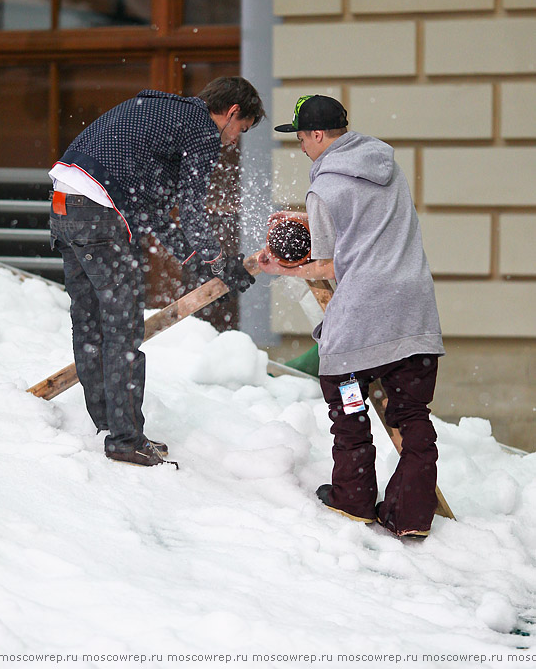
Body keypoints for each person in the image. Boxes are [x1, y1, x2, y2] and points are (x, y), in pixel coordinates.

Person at [49, 77, 264, 467]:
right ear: (232, 113)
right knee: (122, 328)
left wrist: (199, 258)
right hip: (99, 217)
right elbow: (193, 207)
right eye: (241, 130)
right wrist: (221, 263)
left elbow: (150, 210)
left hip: (65, 207)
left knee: (89, 322)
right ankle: (125, 439)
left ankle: (106, 424)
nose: (233, 141)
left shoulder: (158, 113)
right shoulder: (201, 129)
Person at [259, 94, 444, 538]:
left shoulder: (323, 188)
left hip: (363, 316)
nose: (301, 146)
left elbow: (330, 264)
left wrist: (282, 267)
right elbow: (371, 236)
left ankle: (353, 500)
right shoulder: (388, 167)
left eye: (302, 137)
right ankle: (411, 515)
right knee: (413, 415)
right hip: (415, 311)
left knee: (348, 405)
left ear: (319, 136)